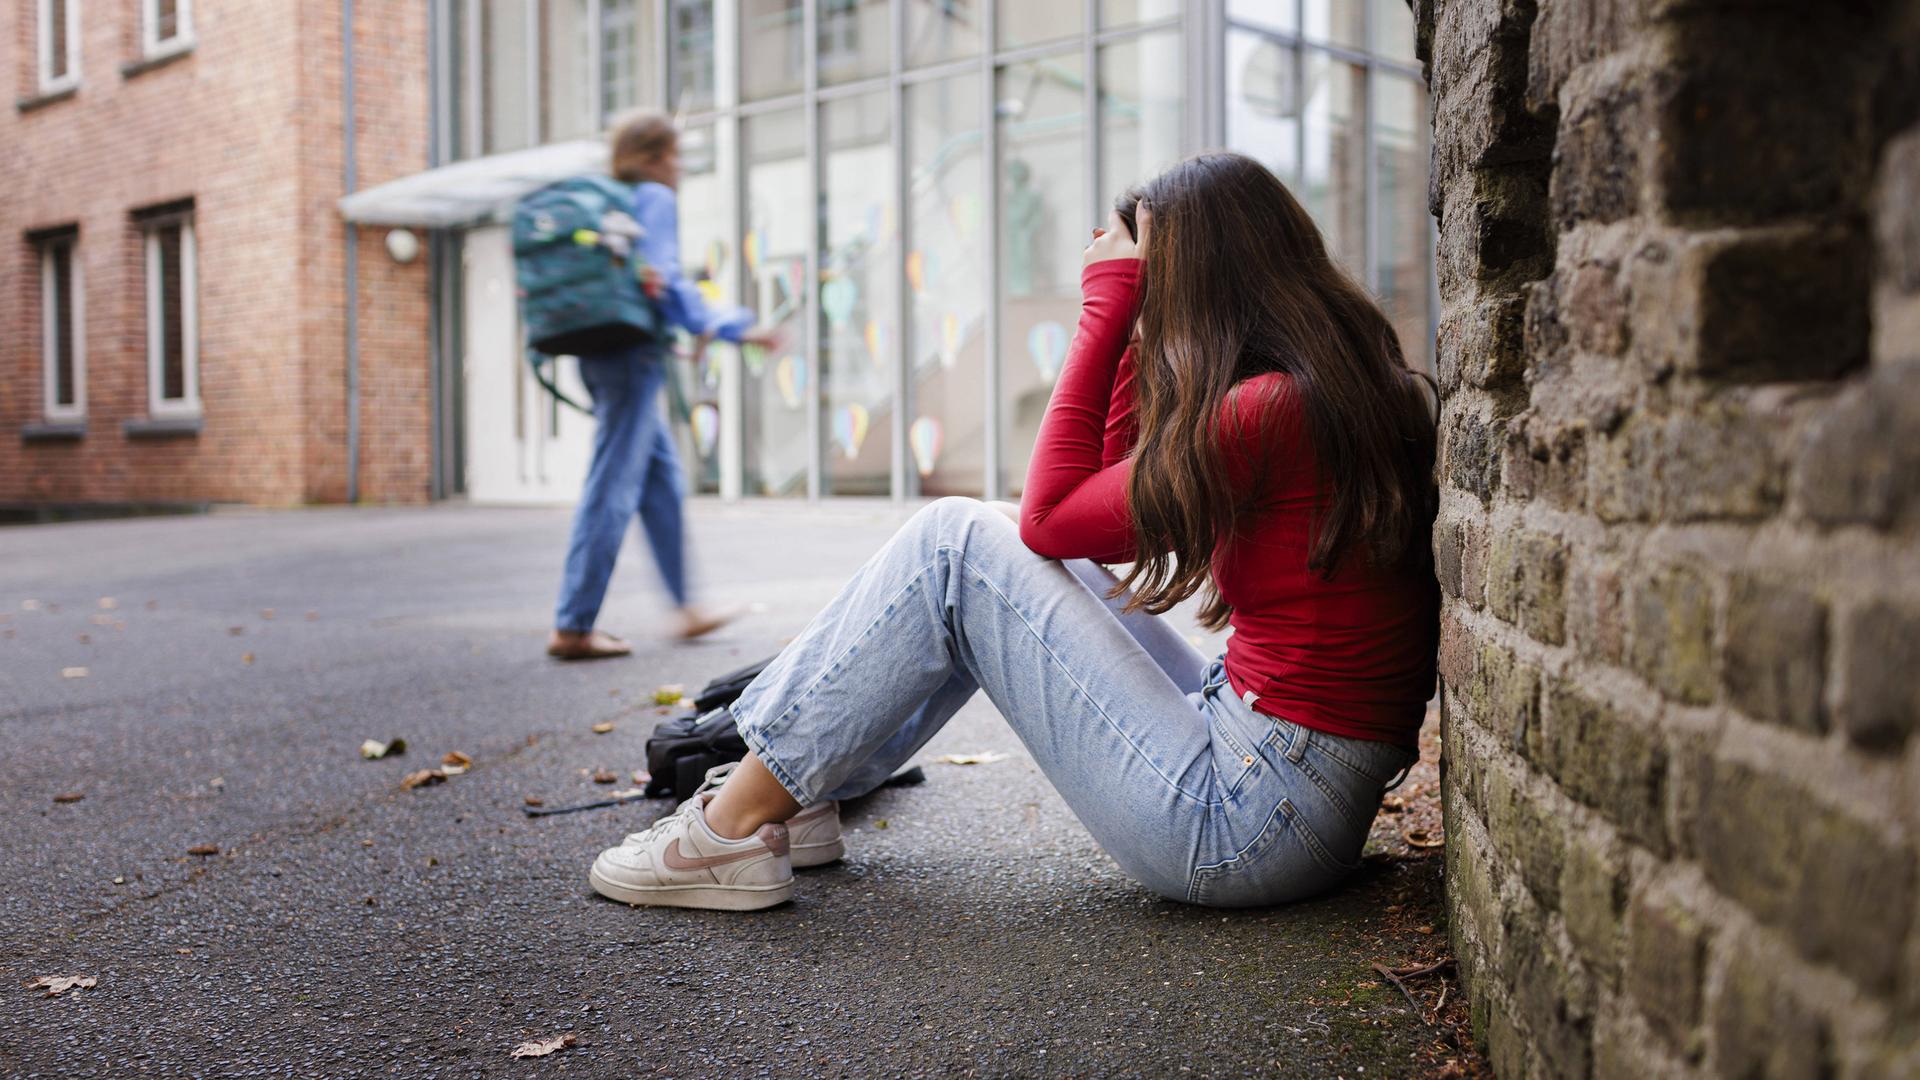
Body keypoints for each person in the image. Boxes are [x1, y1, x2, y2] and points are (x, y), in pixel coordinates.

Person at [587, 151, 1440, 910]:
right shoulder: (1324, 385)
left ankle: (728, 830)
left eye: (1150, 278)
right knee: (986, 536)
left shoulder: (1265, 410)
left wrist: (1106, 315)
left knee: (958, 543)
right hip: (1284, 784)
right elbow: (1087, 536)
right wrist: (1138, 341)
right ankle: (804, 791)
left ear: (1194, 281)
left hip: (1246, 820)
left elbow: (1052, 514)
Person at [549, 113, 784, 660]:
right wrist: (730, 327)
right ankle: (573, 623)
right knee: (611, 485)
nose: (679, 168)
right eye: (675, 156)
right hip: (631, 357)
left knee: (661, 482)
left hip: (604, 352)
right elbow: (664, 278)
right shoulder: (651, 197)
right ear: (654, 157)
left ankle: (685, 607)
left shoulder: (611, 199)